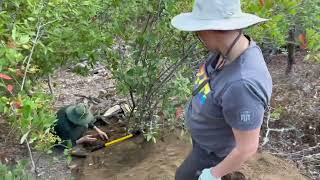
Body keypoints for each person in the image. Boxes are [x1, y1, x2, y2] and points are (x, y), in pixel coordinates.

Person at [171, 0, 272, 180]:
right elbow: (212, 87)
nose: (199, 36)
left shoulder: (242, 85)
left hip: (213, 155)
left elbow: (247, 147)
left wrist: (213, 174)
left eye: (198, 31)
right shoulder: (223, 52)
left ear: (210, 29)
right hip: (204, 144)